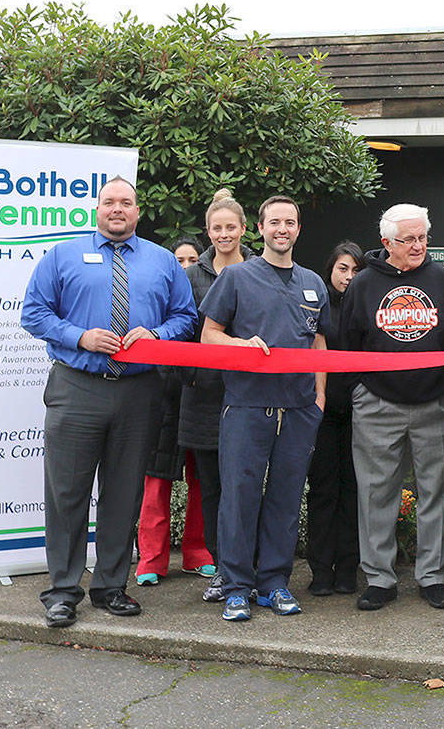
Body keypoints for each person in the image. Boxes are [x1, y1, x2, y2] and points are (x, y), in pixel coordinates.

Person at [20, 176, 197, 629]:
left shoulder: (162, 262)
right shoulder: (61, 256)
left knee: (123, 493)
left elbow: (186, 316)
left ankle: (111, 587)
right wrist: (80, 335)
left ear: (138, 211)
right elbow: (34, 313)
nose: (117, 209)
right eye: (109, 202)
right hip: (76, 387)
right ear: (96, 209)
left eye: (126, 202)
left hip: (139, 392)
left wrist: (156, 334)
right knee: (67, 495)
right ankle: (62, 591)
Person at [200, 195, 328, 621]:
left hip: (298, 408)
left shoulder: (313, 281)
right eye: (274, 222)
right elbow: (209, 337)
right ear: (260, 228)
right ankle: (236, 585)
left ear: (298, 229)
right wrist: (240, 344)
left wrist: (320, 395)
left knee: (286, 499)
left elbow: (319, 342)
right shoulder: (236, 277)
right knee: (239, 497)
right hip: (248, 406)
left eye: (290, 222)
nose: (282, 229)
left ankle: (274, 583)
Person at [339, 203, 444, 612]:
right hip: (378, 404)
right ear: (386, 242)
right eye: (408, 239)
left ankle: (433, 577)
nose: (418, 245)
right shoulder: (361, 285)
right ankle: (379, 577)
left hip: (438, 402)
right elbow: (347, 346)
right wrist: (362, 392)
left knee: (438, 493)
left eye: (423, 237)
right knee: (376, 493)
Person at [177, 189, 252, 603]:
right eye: (216, 228)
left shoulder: (258, 271)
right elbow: (182, 332)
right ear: (208, 232)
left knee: (245, 486)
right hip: (204, 400)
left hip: (248, 396)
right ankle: (223, 570)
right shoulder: (190, 278)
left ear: (243, 230)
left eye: (231, 227)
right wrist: (194, 376)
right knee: (212, 489)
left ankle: (247, 567)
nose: (224, 234)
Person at [134, 236, 216, 587]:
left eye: (192, 260)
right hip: (163, 395)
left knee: (201, 481)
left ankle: (198, 554)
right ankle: (151, 559)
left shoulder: (211, 292)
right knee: (156, 481)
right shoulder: (158, 292)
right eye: (178, 260)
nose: (185, 267)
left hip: (200, 395)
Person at [305, 241, 365, 596]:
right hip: (322, 409)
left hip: (360, 409)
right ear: (330, 270)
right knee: (323, 490)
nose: (349, 276)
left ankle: (348, 569)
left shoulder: (366, 303)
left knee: (354, 491)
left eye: (356, 270)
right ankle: (320, 570)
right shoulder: (317, 302)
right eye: (343, 268)